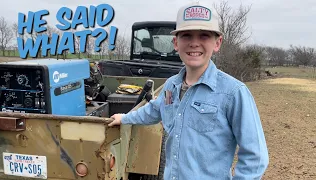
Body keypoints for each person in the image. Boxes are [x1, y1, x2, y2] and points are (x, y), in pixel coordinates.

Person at [108, 1, 269, 179]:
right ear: (176, 43)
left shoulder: (234, 93)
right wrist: (125, 118)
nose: (194, 43)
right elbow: (154, 110)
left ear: (217, 43)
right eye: (186, 36)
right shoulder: (171, 85)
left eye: (204, 36)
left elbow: (255, 158)